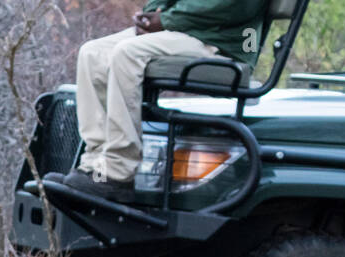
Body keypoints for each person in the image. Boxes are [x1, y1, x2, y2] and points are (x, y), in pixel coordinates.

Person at [51, 1, 269, 203]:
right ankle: (96, 169)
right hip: (185, 29)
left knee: (127, 53)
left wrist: (166, 20)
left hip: (220, 41)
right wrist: (152, 13)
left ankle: (117, 174)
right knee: (92, 53)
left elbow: (238, 6)